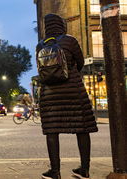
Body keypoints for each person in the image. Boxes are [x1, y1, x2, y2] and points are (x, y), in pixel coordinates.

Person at [37, 14, 98, 179]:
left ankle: (55, 171)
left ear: (46, 27)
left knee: (52, 131)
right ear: (61, 25)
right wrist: (71, 75)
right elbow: (80, 63)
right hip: (73, 92)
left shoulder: (41, 45)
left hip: (50, 95)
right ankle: (84, 169)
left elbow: (41, 70)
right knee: (82, 129)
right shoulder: (70, 41)